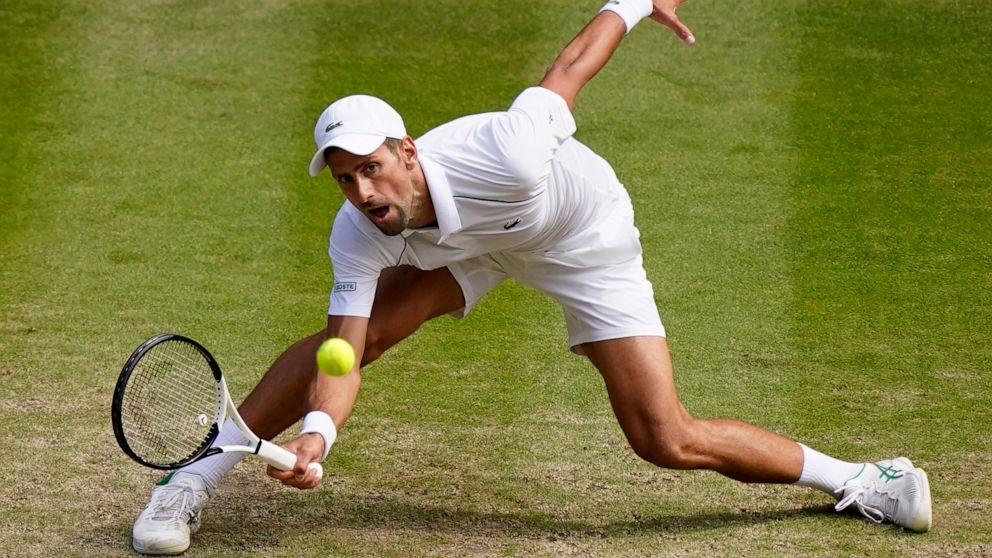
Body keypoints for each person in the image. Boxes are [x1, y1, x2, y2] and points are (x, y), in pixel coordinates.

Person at [130, 0, 932, 553]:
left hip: (581, 236)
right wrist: (320, 433)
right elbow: (341, 351)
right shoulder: (358, 232)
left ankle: (870, 480)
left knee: (664, 437)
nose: (364, 193)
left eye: (373, 168)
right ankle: (192, 478)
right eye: (345, 179)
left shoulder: (504, 156)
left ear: (409, 151)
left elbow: (572, 65)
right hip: (466, 249)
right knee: (370, 332)